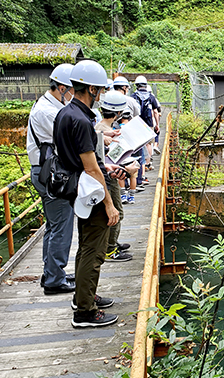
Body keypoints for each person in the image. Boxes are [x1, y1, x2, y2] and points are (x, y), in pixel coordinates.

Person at [53, 60, 124, 328]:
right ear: (92, 89)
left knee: (85, 248)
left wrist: (108, 168)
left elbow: (83, 160)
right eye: (100, 90)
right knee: (94, 253)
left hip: (79, 191)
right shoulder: (81, 120)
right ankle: (84, 311)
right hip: (91, 192)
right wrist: (109, 204)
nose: (100, 96)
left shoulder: (65, 113)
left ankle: (84, 296)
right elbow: (92, 168)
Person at [27, 63, 76, 295]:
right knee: (62, 227)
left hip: (44, 171)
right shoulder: (48, 112)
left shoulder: (47, 105)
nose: (75, 94)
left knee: (53, 226)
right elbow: (68, 141)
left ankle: (52, 273)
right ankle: (55, 280)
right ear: (63, 88)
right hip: (51, 175)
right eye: (74, 89)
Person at [94, 91, 135, 262]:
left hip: (107, 173)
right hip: (108, 175)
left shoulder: (100, 128)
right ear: (118, 113)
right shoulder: (103, 130)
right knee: (116, 212)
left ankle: (112, 243)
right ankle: (110, 249)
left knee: (115, 211)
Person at [132, 76, 161, 174]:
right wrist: (157, 124)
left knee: (138, 143)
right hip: (149, 123)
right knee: (149, 143)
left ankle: (140, 164)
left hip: (137, 122)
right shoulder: (151, 97)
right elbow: (156, 111)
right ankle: (148, 163)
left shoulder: (133, 96)